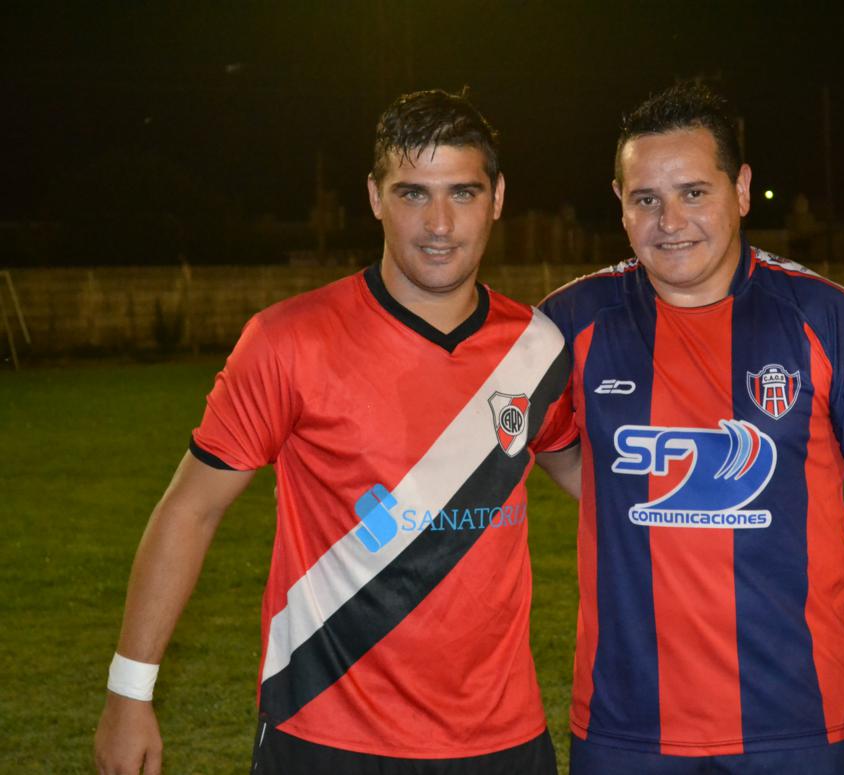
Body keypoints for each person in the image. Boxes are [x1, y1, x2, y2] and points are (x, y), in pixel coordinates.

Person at [94, 89, 577, 775]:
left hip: (502, 741)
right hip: (325, 734)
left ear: (497, 198)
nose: (439, 223)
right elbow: (190, 509)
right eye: (413, 193)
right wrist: (129, 692)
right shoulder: (289, 341)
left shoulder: (538, 348)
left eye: (463, 192)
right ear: (375, 197)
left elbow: (598, 483)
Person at [539, 83, 844, 775]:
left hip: (796, 720)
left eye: (694, 193)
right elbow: (540, 439)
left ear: (743, 189)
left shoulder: (824, 317)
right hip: (625, 724)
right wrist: (617, 492)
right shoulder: (571, 322)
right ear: (619, 202)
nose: (670, 222)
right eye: (646, 199)